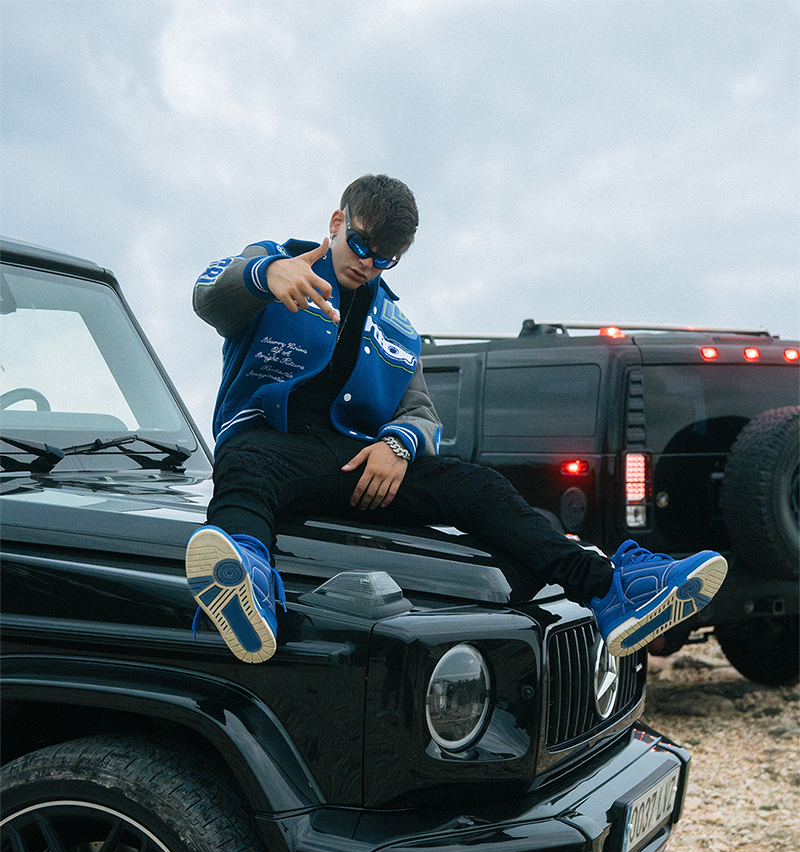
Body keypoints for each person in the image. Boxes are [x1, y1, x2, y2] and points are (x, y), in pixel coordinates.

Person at [187, 173, 727, 663]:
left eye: (384, 258)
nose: (367, 263)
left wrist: (397, 445)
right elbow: (207, 297)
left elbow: (421, 411)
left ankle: (614, 590)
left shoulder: (396, 327)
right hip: (269, 447)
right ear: (336, 222)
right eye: (360, 244)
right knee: (243, 467)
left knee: (479, 486)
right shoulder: (275, 263)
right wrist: (264, 274)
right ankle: (245, 583)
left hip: (356, 465)